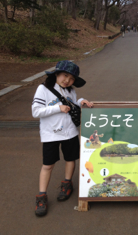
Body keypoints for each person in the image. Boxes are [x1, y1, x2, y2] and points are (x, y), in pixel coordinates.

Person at [32, 60, 93, 217]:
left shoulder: (70, 91)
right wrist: (57, 108)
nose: (67, 80)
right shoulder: (44, 89)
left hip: (70, 132)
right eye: (65, 76)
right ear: (57, 74)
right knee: (48, 165)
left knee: (70, 159)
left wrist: (81, 101)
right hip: (50, 134)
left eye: (71, 78)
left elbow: (73, 104)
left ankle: (67, 184)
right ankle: (42, 195)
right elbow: (36, 111)